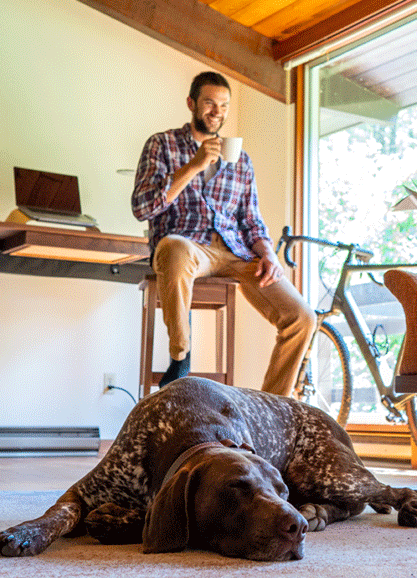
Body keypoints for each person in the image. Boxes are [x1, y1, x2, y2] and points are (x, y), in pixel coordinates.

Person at [131, 70, 318, 396]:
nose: (217, 111)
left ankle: (271, 408)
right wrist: (193, 166)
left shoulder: (241, 160)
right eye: (209, 103)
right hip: (188, 244)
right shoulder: (162, 144)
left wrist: (268, 253)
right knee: (172, 248)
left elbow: (251, 219)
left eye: (224, 105)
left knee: (303, 318)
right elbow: (142, 208)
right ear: (191, 103)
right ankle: (180, 354)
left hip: (236, 251)